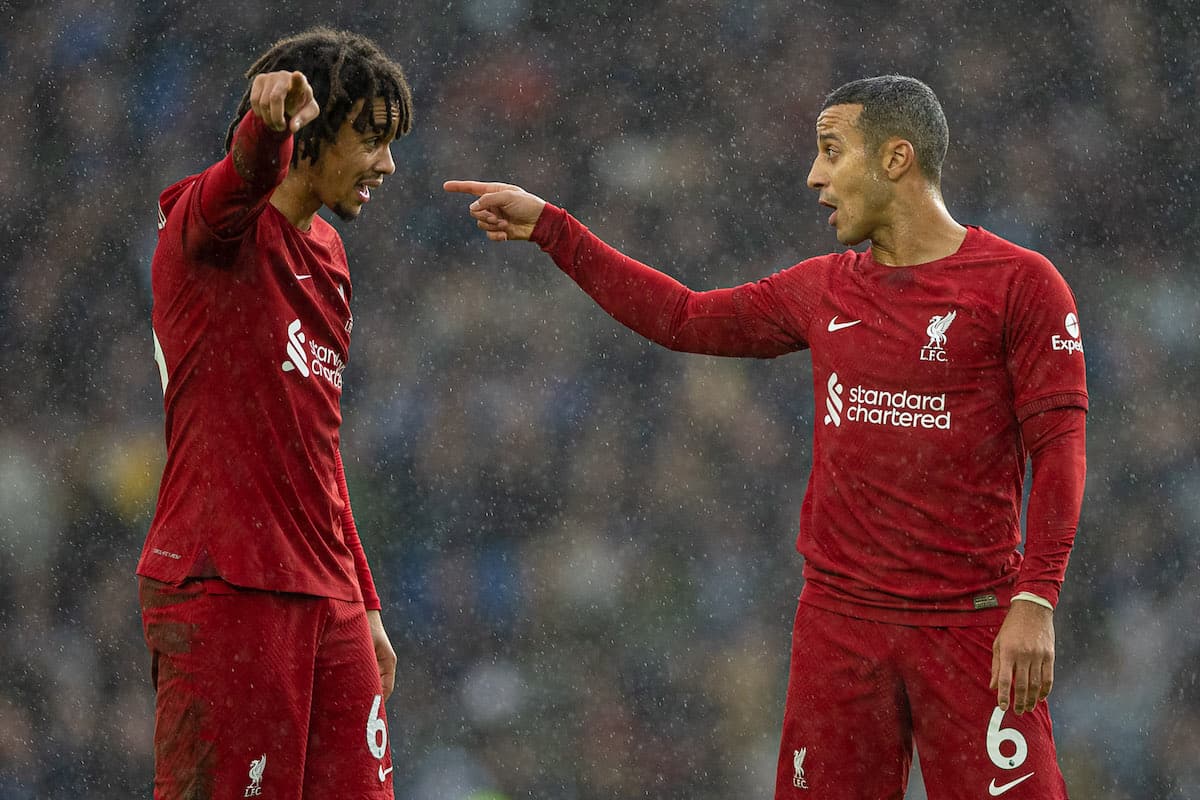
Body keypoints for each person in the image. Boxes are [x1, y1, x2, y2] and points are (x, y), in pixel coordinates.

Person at [446, 75, 1087, 798]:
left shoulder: (1021, 285)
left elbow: (1058, 444)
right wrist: (555, 231)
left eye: (831, 151)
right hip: (841, 627)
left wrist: (1036, 598)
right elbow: (684, 317)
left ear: (896, 158)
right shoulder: (823, 289)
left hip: (974, 624)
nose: (814, 175)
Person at [137, 28, 412, 800]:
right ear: (312, 133)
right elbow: (242, 182)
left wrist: (366, 600)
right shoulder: (206, 228)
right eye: (370, 140)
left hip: (326, 596)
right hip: (227, 584)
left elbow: (318, 448)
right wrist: (267, 127)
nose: (387, 164)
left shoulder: (329, 255)